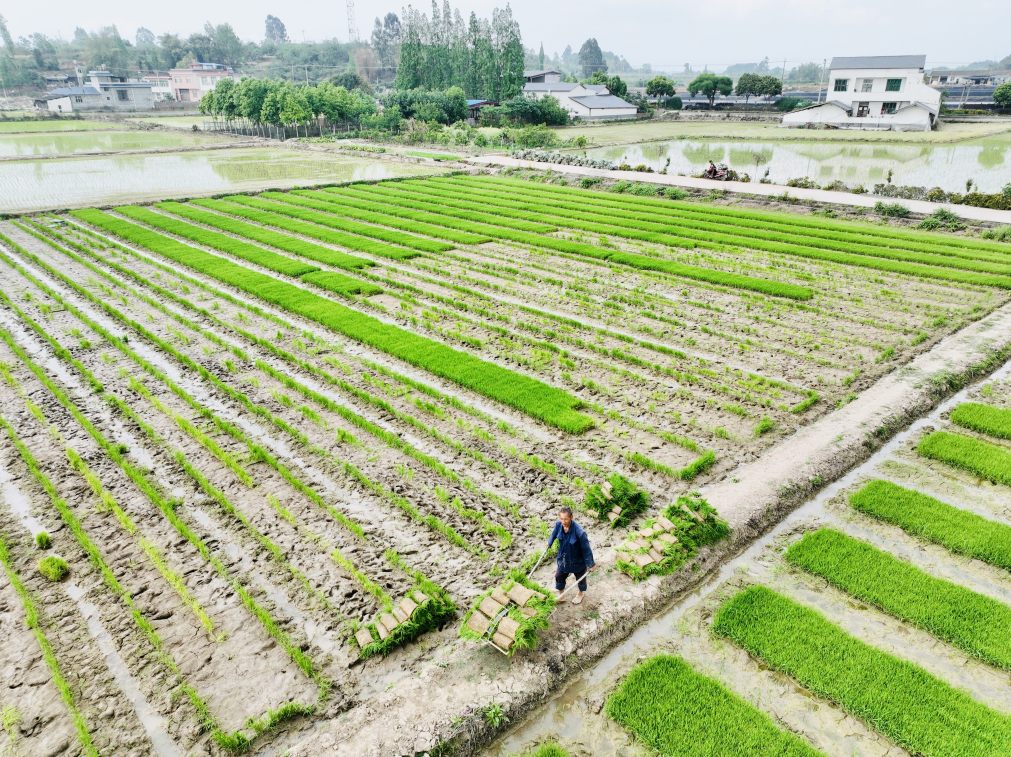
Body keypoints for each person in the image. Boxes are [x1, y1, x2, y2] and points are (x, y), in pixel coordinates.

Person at [547, 506, 595, 605]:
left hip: (577, 560)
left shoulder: (580, 532)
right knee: (559, 576)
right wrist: (549, 543)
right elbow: (553, 534)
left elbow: (586, 549)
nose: (563, 521)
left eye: (566, 519)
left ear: (571, 517)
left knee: (580, 578)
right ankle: (561, 593)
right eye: (561, 519)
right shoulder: (558, 525)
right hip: (563, 558)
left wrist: (591, 564)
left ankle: (581, 593)